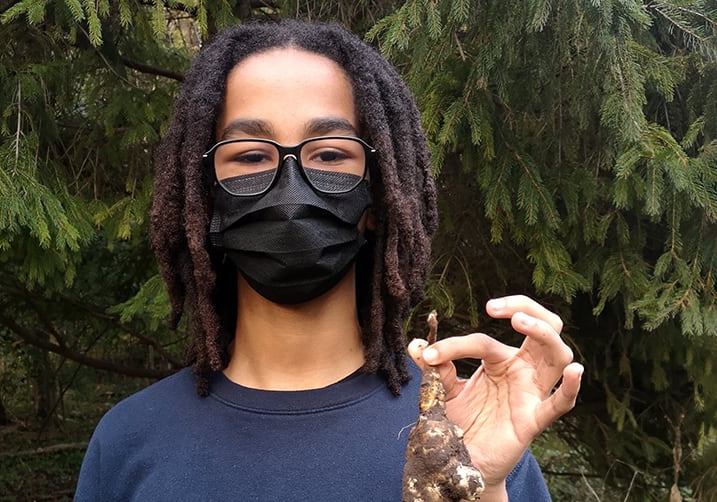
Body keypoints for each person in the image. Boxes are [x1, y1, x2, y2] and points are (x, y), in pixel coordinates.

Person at [75, 19, 583, 501]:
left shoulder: (466, 440)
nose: (291, 194)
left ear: (378, 197)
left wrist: (482, 488)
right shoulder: (128, 444)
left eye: (330, 155)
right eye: (251, 156)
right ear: (205, 198)